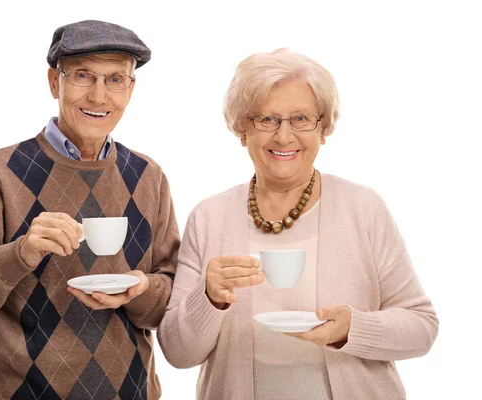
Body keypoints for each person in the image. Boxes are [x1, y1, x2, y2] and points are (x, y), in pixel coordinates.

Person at [157, 48, 438, 399]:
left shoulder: (363, 208)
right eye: (267, 119)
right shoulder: (209, 217)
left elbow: (422, 328)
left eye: (301, 118)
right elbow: (177, 353)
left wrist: (353, 328)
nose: (284, 136)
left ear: (324, 128)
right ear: (242, 129)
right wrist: (209, 298)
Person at [0, 20, 180, 400]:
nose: (98, 96)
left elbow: (173, 298)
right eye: (82, 75)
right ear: (53, 82)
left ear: (131, 89)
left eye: (114, 79)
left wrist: (141, 290)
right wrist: (18, 254)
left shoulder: (148, 177)